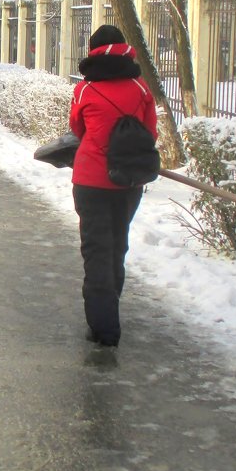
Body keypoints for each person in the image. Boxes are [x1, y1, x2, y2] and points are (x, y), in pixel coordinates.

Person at [69, 24, 157, 348]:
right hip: (128, 181)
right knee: (117, 246)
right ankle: (109, 310)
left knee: (96, 252)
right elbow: (150, 133)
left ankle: (103, 326)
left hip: (91, 180)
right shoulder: (141, 87)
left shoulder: (84, 91)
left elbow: (77, 129)